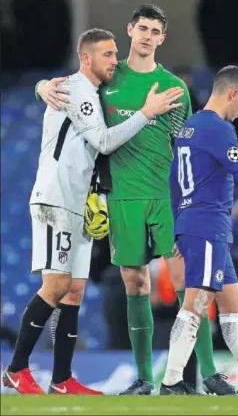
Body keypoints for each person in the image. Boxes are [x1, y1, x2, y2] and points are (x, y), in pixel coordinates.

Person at [36, 4, 235, 396]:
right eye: (141, 28)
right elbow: (69, 84)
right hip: (122, 197)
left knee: (187, 283)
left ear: (162, 37)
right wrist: (41, 85)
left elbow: (186, 144)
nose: (146, 35)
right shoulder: (106, 79)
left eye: (154, 30)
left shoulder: (175, 88)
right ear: (130, 30)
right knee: (134, 282)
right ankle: (145, 378)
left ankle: (205, 375)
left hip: (166, 196)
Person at [2, 28, 182, 395]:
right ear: (86, 58)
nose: (114, 60)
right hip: (57, 199)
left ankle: (63, 379)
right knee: (55, 287)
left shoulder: (94, 93)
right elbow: (102, 140)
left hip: (80, 204)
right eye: (107, 54)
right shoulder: (74, 89)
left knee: (75, 291)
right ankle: (16, 369)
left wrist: (39, 87)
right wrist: (146, 113)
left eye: (115, 53)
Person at [160, 65, 238, 395]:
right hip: (207, 224)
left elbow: (173, 182)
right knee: (197, 301)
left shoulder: (190, 127)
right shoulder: (219, 128)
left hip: (200, 224)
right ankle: (170, 382)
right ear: (232, 94)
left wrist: (180, 225)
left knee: (233, 301)